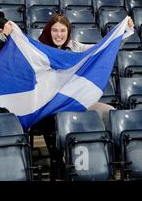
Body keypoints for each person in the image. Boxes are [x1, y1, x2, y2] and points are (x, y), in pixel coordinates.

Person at [36, 13, 134, 178]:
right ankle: (57, 161)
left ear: (68, 32)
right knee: (49, 119)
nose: (59, 35)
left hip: (78, 102)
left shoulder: (76, 47)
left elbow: (105, 48)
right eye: (55, 30)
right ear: (48, 30)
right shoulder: (39, 50)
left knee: (109, 112)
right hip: (51, 104)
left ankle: (113, 162)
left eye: (62, 30)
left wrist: (125, 31)